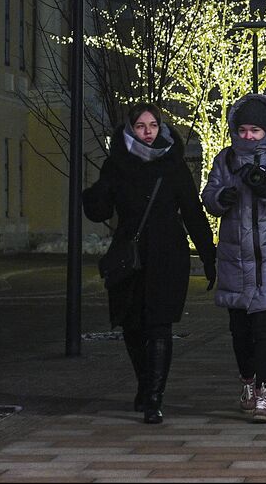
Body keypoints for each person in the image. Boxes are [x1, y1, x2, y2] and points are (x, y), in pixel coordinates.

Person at [83, 104, 216, 424]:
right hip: (131, 257)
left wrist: (209, 255)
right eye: (141, 126)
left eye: (153, 125)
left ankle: (154, 397)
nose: (147, 131)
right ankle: (145, 383)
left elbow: (193, 213)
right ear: (130, 129)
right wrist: (97, 192)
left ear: (160, 128)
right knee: (131, 325)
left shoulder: (173, 164)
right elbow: (100, 211)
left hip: (168, 255)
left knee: (159, 326)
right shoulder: (117, 164)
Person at [202, 93, 266, 424]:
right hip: (234, 259)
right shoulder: (226, 159)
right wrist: (221, 197)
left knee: (265, 329)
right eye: (243, 129)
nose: (248, 136)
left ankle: (264, 394)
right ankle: (247, 382)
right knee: (239, 331)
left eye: (255, 131)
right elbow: (209, 196)